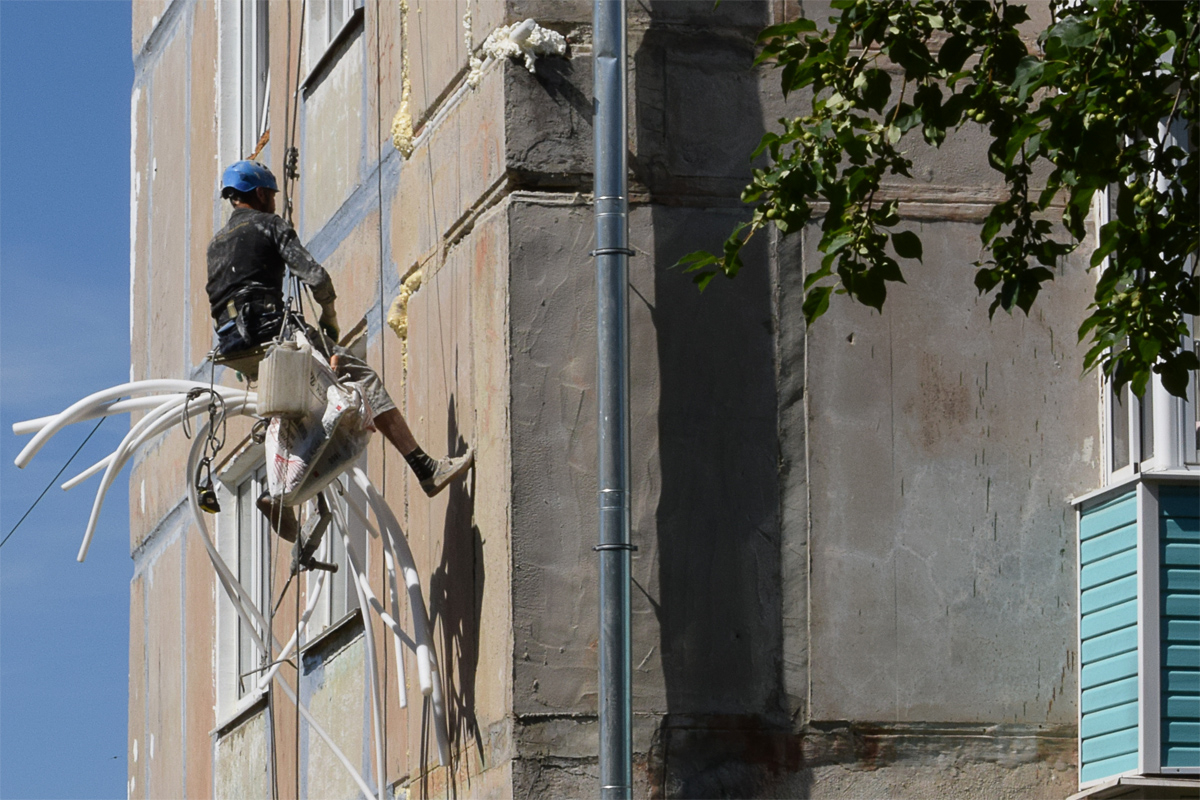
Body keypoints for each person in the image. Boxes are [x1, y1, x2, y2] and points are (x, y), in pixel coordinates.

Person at [207, 160, 472, 513]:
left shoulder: (215, 244)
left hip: (235, 347)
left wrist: (246, 355)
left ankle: (279, 494)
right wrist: (330, 320)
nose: (273, 201)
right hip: (275, 333)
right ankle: (425, 468)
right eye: (271, 194)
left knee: (297, 409)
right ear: (258, 194)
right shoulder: (269, 224)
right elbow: (315, 278)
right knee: (360, 376)